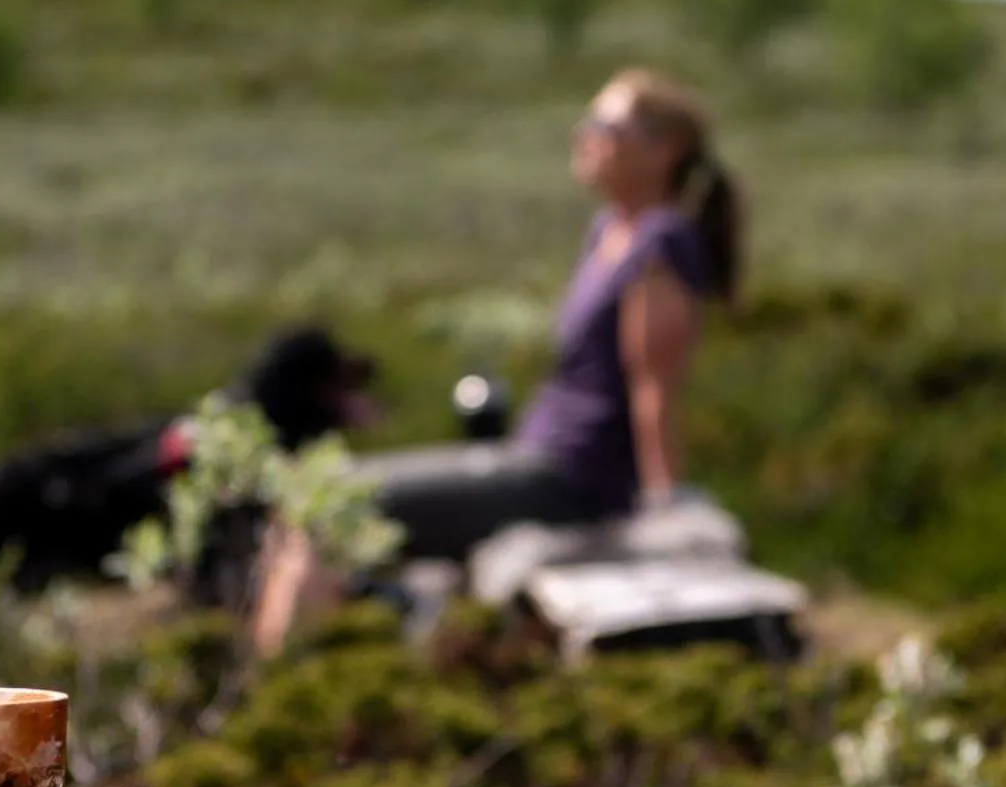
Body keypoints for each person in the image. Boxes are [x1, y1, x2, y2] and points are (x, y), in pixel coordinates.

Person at [250, 67, 744, 652]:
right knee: (313, 496)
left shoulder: (659, 243)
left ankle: (282, 688)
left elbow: (654, 386)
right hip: (532, 456)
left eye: (603, 124)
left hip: (570, 480)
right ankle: (301, 673)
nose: (583, 136)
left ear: (665, 150)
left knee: (324, 504)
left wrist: (663, 504)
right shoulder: (609, 230)